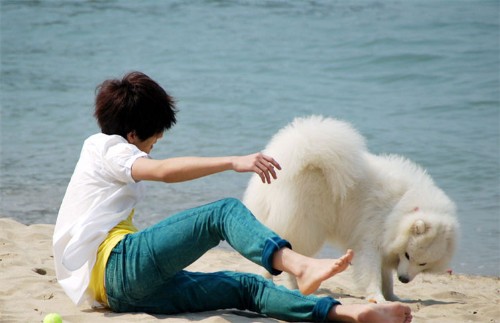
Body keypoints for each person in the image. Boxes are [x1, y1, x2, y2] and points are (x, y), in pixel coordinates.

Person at [53, 71, 412, 323]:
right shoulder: (106, 147)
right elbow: (161, 172)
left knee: (245, 286)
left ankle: (344, 313)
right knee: (222, 212)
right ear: (132, 134)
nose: (154, 146)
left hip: (122, 295)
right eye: (154, 139)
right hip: (119, 266)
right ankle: (299, 265)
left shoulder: (109, 156)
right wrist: (233, 161)